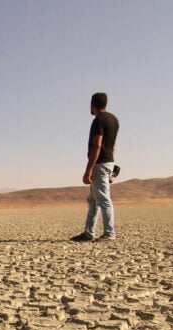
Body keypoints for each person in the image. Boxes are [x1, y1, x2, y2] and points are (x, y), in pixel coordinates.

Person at [71, 92, 119, 242]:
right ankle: (88, 233)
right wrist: (110, 163)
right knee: (93, 201)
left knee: (104, 200)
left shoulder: (99, 120)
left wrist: (89, 169)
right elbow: (113, 145)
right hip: (108, 162)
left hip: (99, 164)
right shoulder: (114, 120)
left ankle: (109, 233)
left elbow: (97, 145)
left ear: (93, 104)